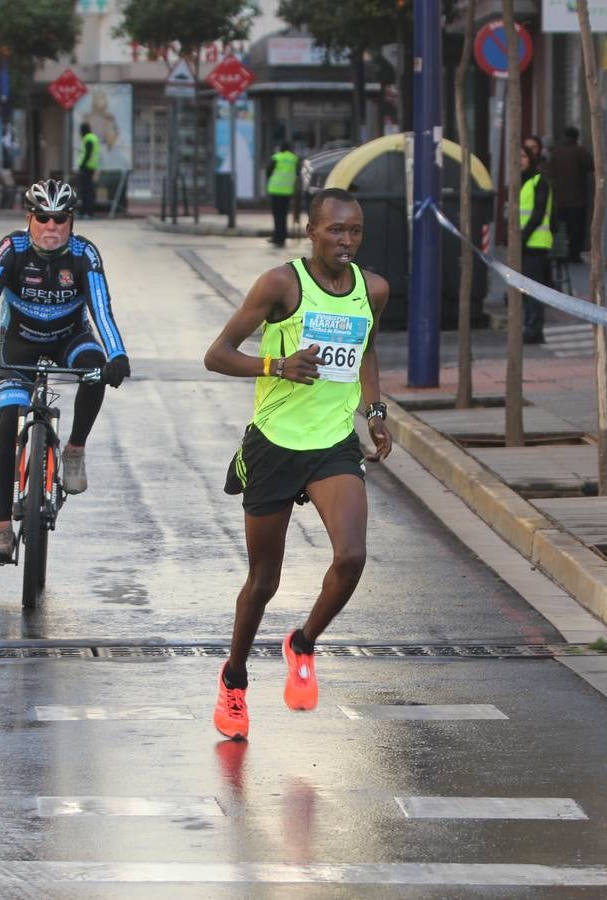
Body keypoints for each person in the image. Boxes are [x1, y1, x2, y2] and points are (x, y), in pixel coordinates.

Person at [203, 186, 392, 741]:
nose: (346, 241)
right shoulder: (282, 284)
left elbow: (367, 350)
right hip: (275, 444)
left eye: (355, 231)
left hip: (332, 443)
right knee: (264, 580)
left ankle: (302, 644)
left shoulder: (372, 289)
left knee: (352, 556)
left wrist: (375, 411)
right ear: (311, 232)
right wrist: (276, 365)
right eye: (335, 230)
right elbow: (216, 355)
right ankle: (234, 681)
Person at [0, 179, 131, 561]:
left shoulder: (85, 255)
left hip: (70, 337)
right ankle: (2, 528)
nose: (52, 227)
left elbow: (102, 308)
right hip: (20, 342)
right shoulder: (10, 249)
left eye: (61, 218)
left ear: (72, 221)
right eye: (44, 217)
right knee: (6, 422)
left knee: (96, 368)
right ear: (29, 218)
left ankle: (75, 449)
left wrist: (118, 355)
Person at [519, 144, 554, 345]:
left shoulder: (539, 181)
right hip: (523, 244)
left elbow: (538, 213)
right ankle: (529, 326)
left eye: (523, 156)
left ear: (531, 158)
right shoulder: (519, 182)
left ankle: (534, 329)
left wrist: (522, 238)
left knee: (533, 290)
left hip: (535, 244)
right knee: (524, 289)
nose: (520, 160)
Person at [549, 126, 594, 264]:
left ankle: (562, 253)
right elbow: (591, 166)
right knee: (577, 229)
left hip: (560, 199)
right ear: (576, 137)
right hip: (577, 200)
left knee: (563, 228)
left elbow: (551, 171)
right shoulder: (580, 151)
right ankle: (574, 254)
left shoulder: (556, 152)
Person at [265, 142, 298, 248]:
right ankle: (283, 237)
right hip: (287, 191)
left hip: (276, 190)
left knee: (277, 215)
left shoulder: (277, 157)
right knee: (283, 215)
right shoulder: (294, 159)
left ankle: (277, 237)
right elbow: (297, 173)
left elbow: (268, 172)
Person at [75, 122, 99, 219]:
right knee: (89, 190)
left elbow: (88, 153)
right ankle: (89, 212)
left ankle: (86, 212)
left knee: (85, 191)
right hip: (91, 167)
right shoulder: (93, 137)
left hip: (86, 167)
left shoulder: (88, 138)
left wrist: (82, 165)